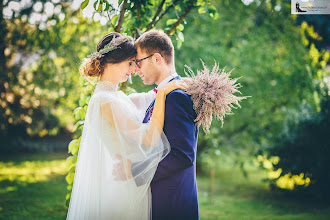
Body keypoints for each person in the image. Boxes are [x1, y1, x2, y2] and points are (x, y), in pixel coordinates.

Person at [66, 32, 187, 220]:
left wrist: (183, 84)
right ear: (112, 61)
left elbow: (149, 97)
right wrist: (163, 94)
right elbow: (149, 138)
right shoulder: (104, 102)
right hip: (126, 188)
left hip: (134, 182)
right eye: (130, 63)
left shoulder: (116, 97)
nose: (134, 69)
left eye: (135, 63)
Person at [113, 30, 200, 220]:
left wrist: (134, 170)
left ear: (157, 59)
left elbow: (183, 156)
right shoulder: (164, 94)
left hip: (172, 204)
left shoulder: (176, 97)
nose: (136, 70)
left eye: (139, 62)